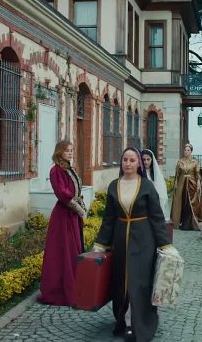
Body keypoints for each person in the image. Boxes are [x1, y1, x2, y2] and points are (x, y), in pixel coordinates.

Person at [93, 147, 174, 342]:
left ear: (139, 164)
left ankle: (135, 324)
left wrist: (165, 244)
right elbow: (109, 218)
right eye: (125, 160)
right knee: (122, 280)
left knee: (139, 282)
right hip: (120, 240)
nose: (128, 163)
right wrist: (101, 243)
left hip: (144, 240)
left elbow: (156, 217)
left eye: (132, 160)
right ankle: (124, 319)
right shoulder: (114, 186)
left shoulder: (147, 186)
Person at [37, 140, 87, 306]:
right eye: (67, 150)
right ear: (59, 152)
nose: (70, 153)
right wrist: (79, 209)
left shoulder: (69, 168)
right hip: (63, 216)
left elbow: (76, 191)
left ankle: (75, 287)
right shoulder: (55, 170)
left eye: (71, 150)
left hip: (72, 216)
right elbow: (63, 194)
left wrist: (81, 208)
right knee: (64, 251)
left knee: (74, 250)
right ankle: (60, 291)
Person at [170, 143, 201, 230]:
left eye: (188, 150)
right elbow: (177, 175)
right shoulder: (180, 162)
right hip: (181, 185)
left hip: (192, 184)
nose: (186, 151)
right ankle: (182, 222)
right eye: (185, 150)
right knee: (182, 202)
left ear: (191, 151)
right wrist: (176, 185)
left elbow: (197, 174)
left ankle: (192, 223)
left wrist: (198, 183)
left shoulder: (195, 162)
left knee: (191, 203)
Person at [141, 149, 170, 221]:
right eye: (144, 160)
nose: (146, 162)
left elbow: (160, 190)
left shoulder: (156, 174)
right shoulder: (139, 173)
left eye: (148, 159)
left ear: (152, 160)